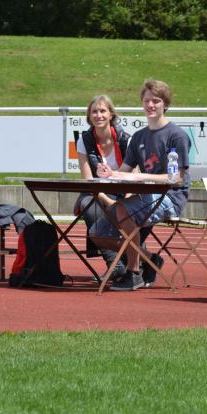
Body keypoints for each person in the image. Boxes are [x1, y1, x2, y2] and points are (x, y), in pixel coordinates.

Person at [91, 78, 191, 292]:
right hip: (145, 197)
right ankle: (150, 259)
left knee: (122, 210)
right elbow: (124, 171)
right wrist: (109, 174)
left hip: (170, 197)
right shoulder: (138, 137)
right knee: (98, 233)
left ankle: (133, 273)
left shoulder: (177, 135)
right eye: (147, 101)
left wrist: (139, 177)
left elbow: (176, 179)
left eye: (156, 101)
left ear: (165, 104)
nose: (150, 105)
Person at [74, 94, 130, 279]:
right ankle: (115, 264)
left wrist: (126, 198)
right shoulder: (84, 140)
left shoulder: (125, 139)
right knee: (88, 205)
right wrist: (107, 200)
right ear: (89, 116)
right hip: (95, 192)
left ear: (111, 114)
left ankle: (142, 259)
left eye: (103, 111)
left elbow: (134, 175)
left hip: (123, 190)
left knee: (131, 208)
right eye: (94, 112)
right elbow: (88, 180)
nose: (98, 115)